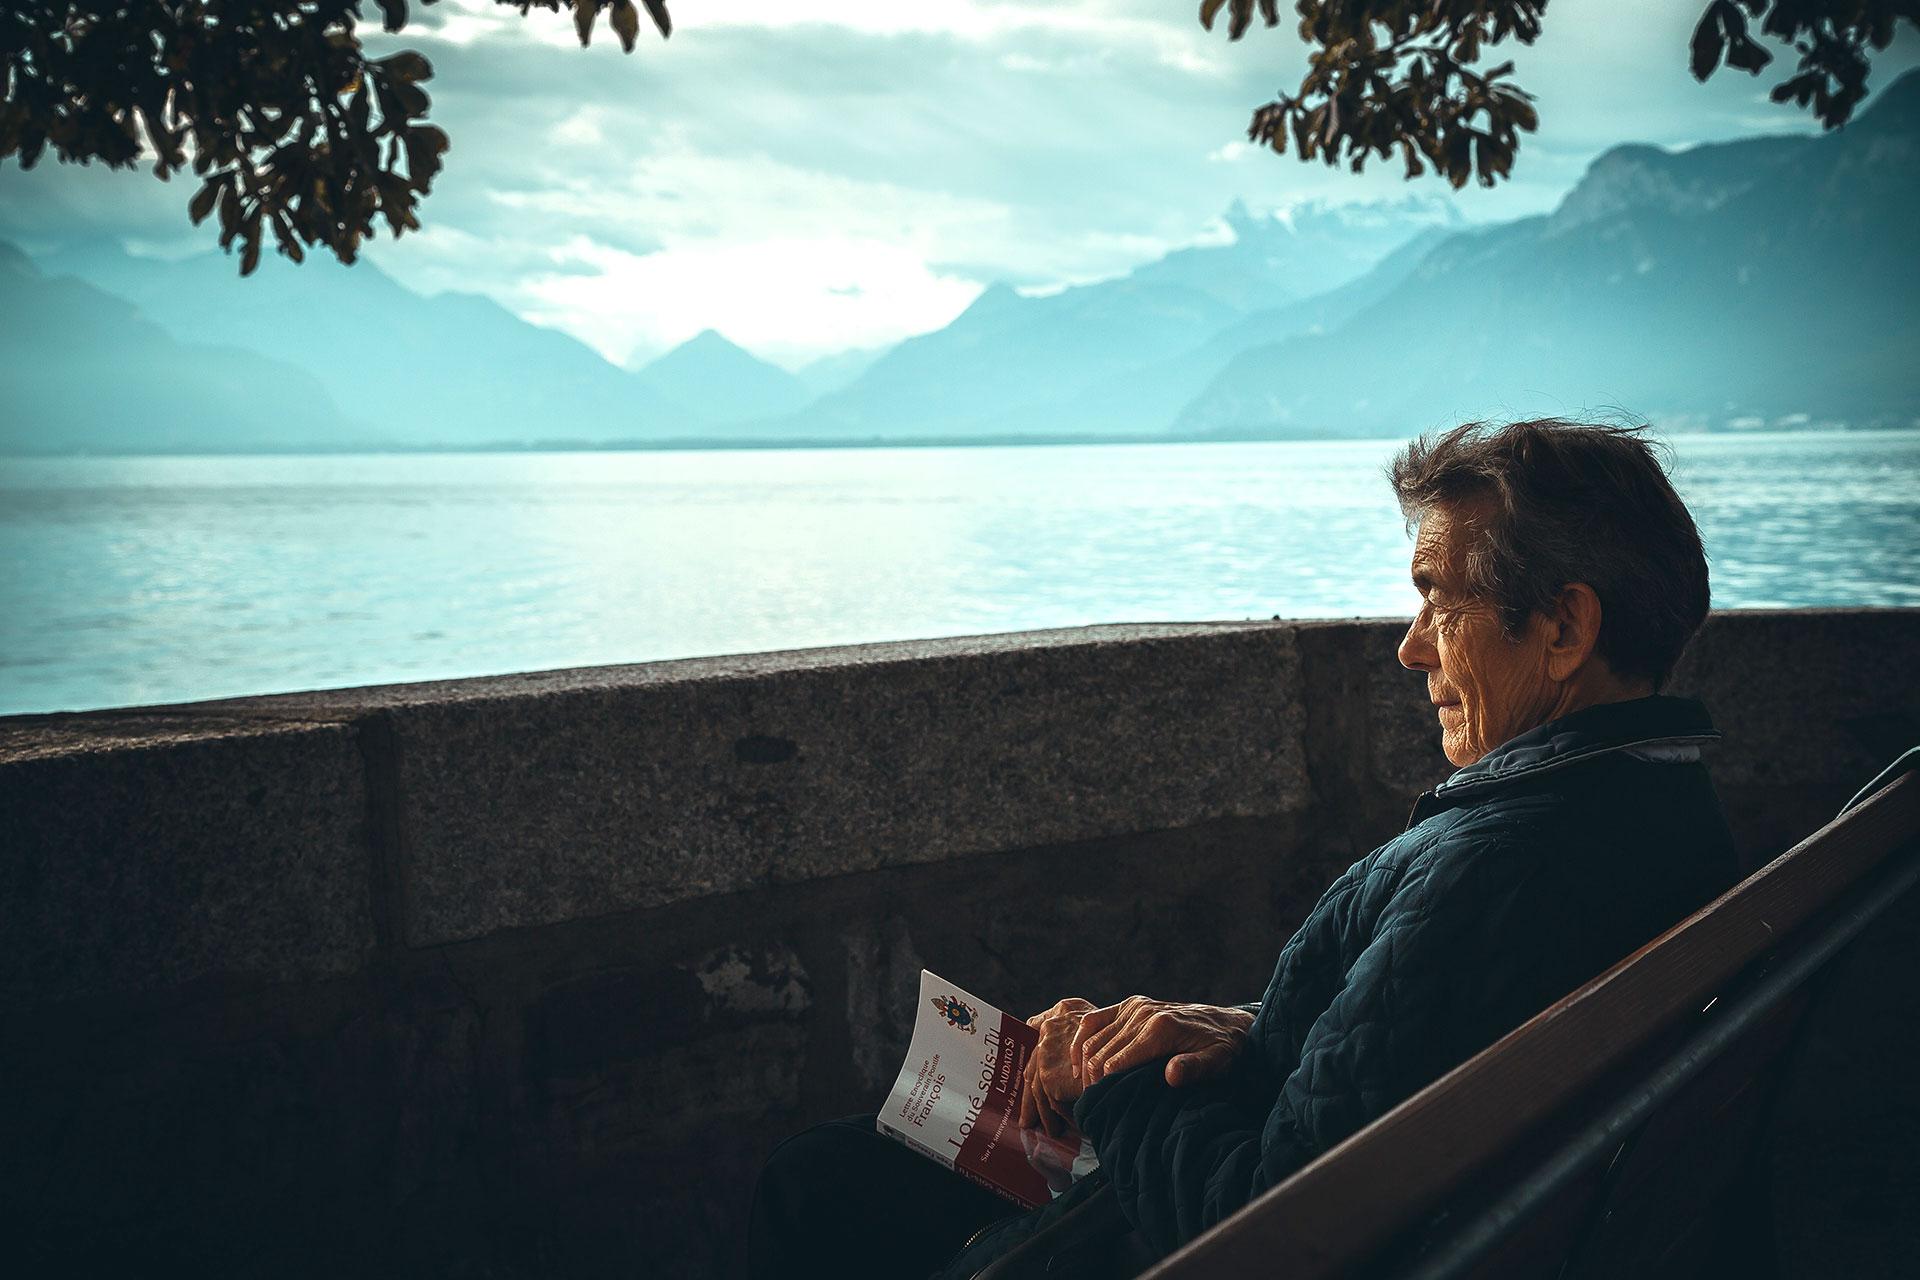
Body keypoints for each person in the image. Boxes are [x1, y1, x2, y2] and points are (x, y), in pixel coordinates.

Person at [749, 419, 1738, 1279]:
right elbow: (1412, 1034)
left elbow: (1274, 1226)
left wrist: (1106, 1080)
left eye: (1440, 598)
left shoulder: (1499, 867)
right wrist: (1239, 1028)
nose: (1412, 646)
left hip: (1190, 1227)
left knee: (820, 1182)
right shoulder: (1652, 807)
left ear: (1565, 626)